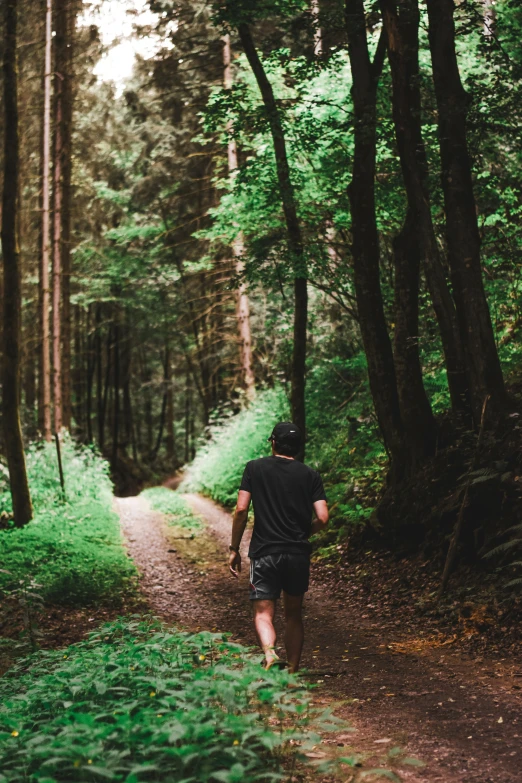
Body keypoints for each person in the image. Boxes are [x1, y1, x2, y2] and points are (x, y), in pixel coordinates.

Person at [228, 422, 329, 672]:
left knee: (263, 612)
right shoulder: (310, 475)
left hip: (265, 552)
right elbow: (324, 518)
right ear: (297, 447)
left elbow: (241, 509)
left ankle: (271, 655)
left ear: (273, 442)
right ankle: (292, 671)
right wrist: (304, 533)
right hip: (297, 553)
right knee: (293, 615)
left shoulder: (254, 468)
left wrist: (234, 548)